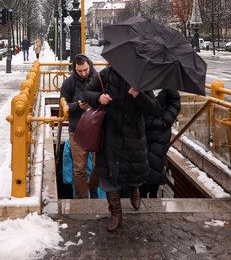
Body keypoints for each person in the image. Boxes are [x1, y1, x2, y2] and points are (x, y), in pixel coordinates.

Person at [83, 65, 162, 232]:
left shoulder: (140, 78)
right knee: (109, 175)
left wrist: (139, 96)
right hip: (109, 136)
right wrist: (98, 98)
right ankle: (116, 213)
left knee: (133, 171)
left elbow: (155, 109)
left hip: (133, 136)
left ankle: (134, 189)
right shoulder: (105, 74)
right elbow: (86, 93)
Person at [60, 54, 99, 199]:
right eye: (80, 71)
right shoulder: (69, 83)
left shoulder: (99, 80)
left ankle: (93, 187)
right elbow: (63, 106)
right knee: (79, 169)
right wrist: (77, 106)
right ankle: (81, 200)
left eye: (85, 70)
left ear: (90, 65)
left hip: (96, 130)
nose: (83, 73)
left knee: (99, 165)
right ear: (75, 69)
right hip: (77, 130)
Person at [140, 89, 181, 198]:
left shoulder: (167, 83)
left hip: (160, 131)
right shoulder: (140, 82)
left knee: (157, 162)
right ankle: (142, 196)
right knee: (141, 162)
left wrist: (166, 120)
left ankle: (153, 195)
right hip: (142, 129)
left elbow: (175, 103)